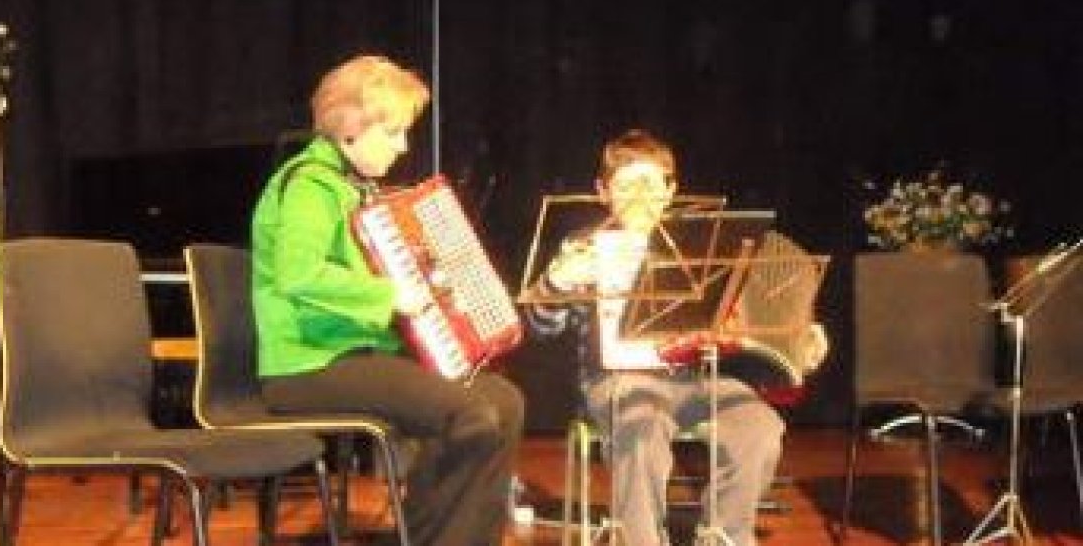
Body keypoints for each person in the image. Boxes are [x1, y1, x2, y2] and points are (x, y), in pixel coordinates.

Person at [250, 54, 525, 546]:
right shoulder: (309, 186)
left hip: (356, 353)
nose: (402, 147)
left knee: (505, 401)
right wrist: (393, 293)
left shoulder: (355, 190)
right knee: (468, 416)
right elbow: (298, 274)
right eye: (394, 132)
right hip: (307, 364)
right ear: (352, 126)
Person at [526, 129, 828, 546]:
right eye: (626, 183)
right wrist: (557, 284)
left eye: (651, 183)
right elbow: (541, 327)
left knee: (760, 427)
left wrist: (799, 335)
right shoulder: (585, 248)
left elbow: (754, 316)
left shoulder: (708, 248)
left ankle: (724, 536)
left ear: (671, 190)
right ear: (602, 192)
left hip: (702, 379)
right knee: (640, 426)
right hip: (618, 381)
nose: (639, 194)